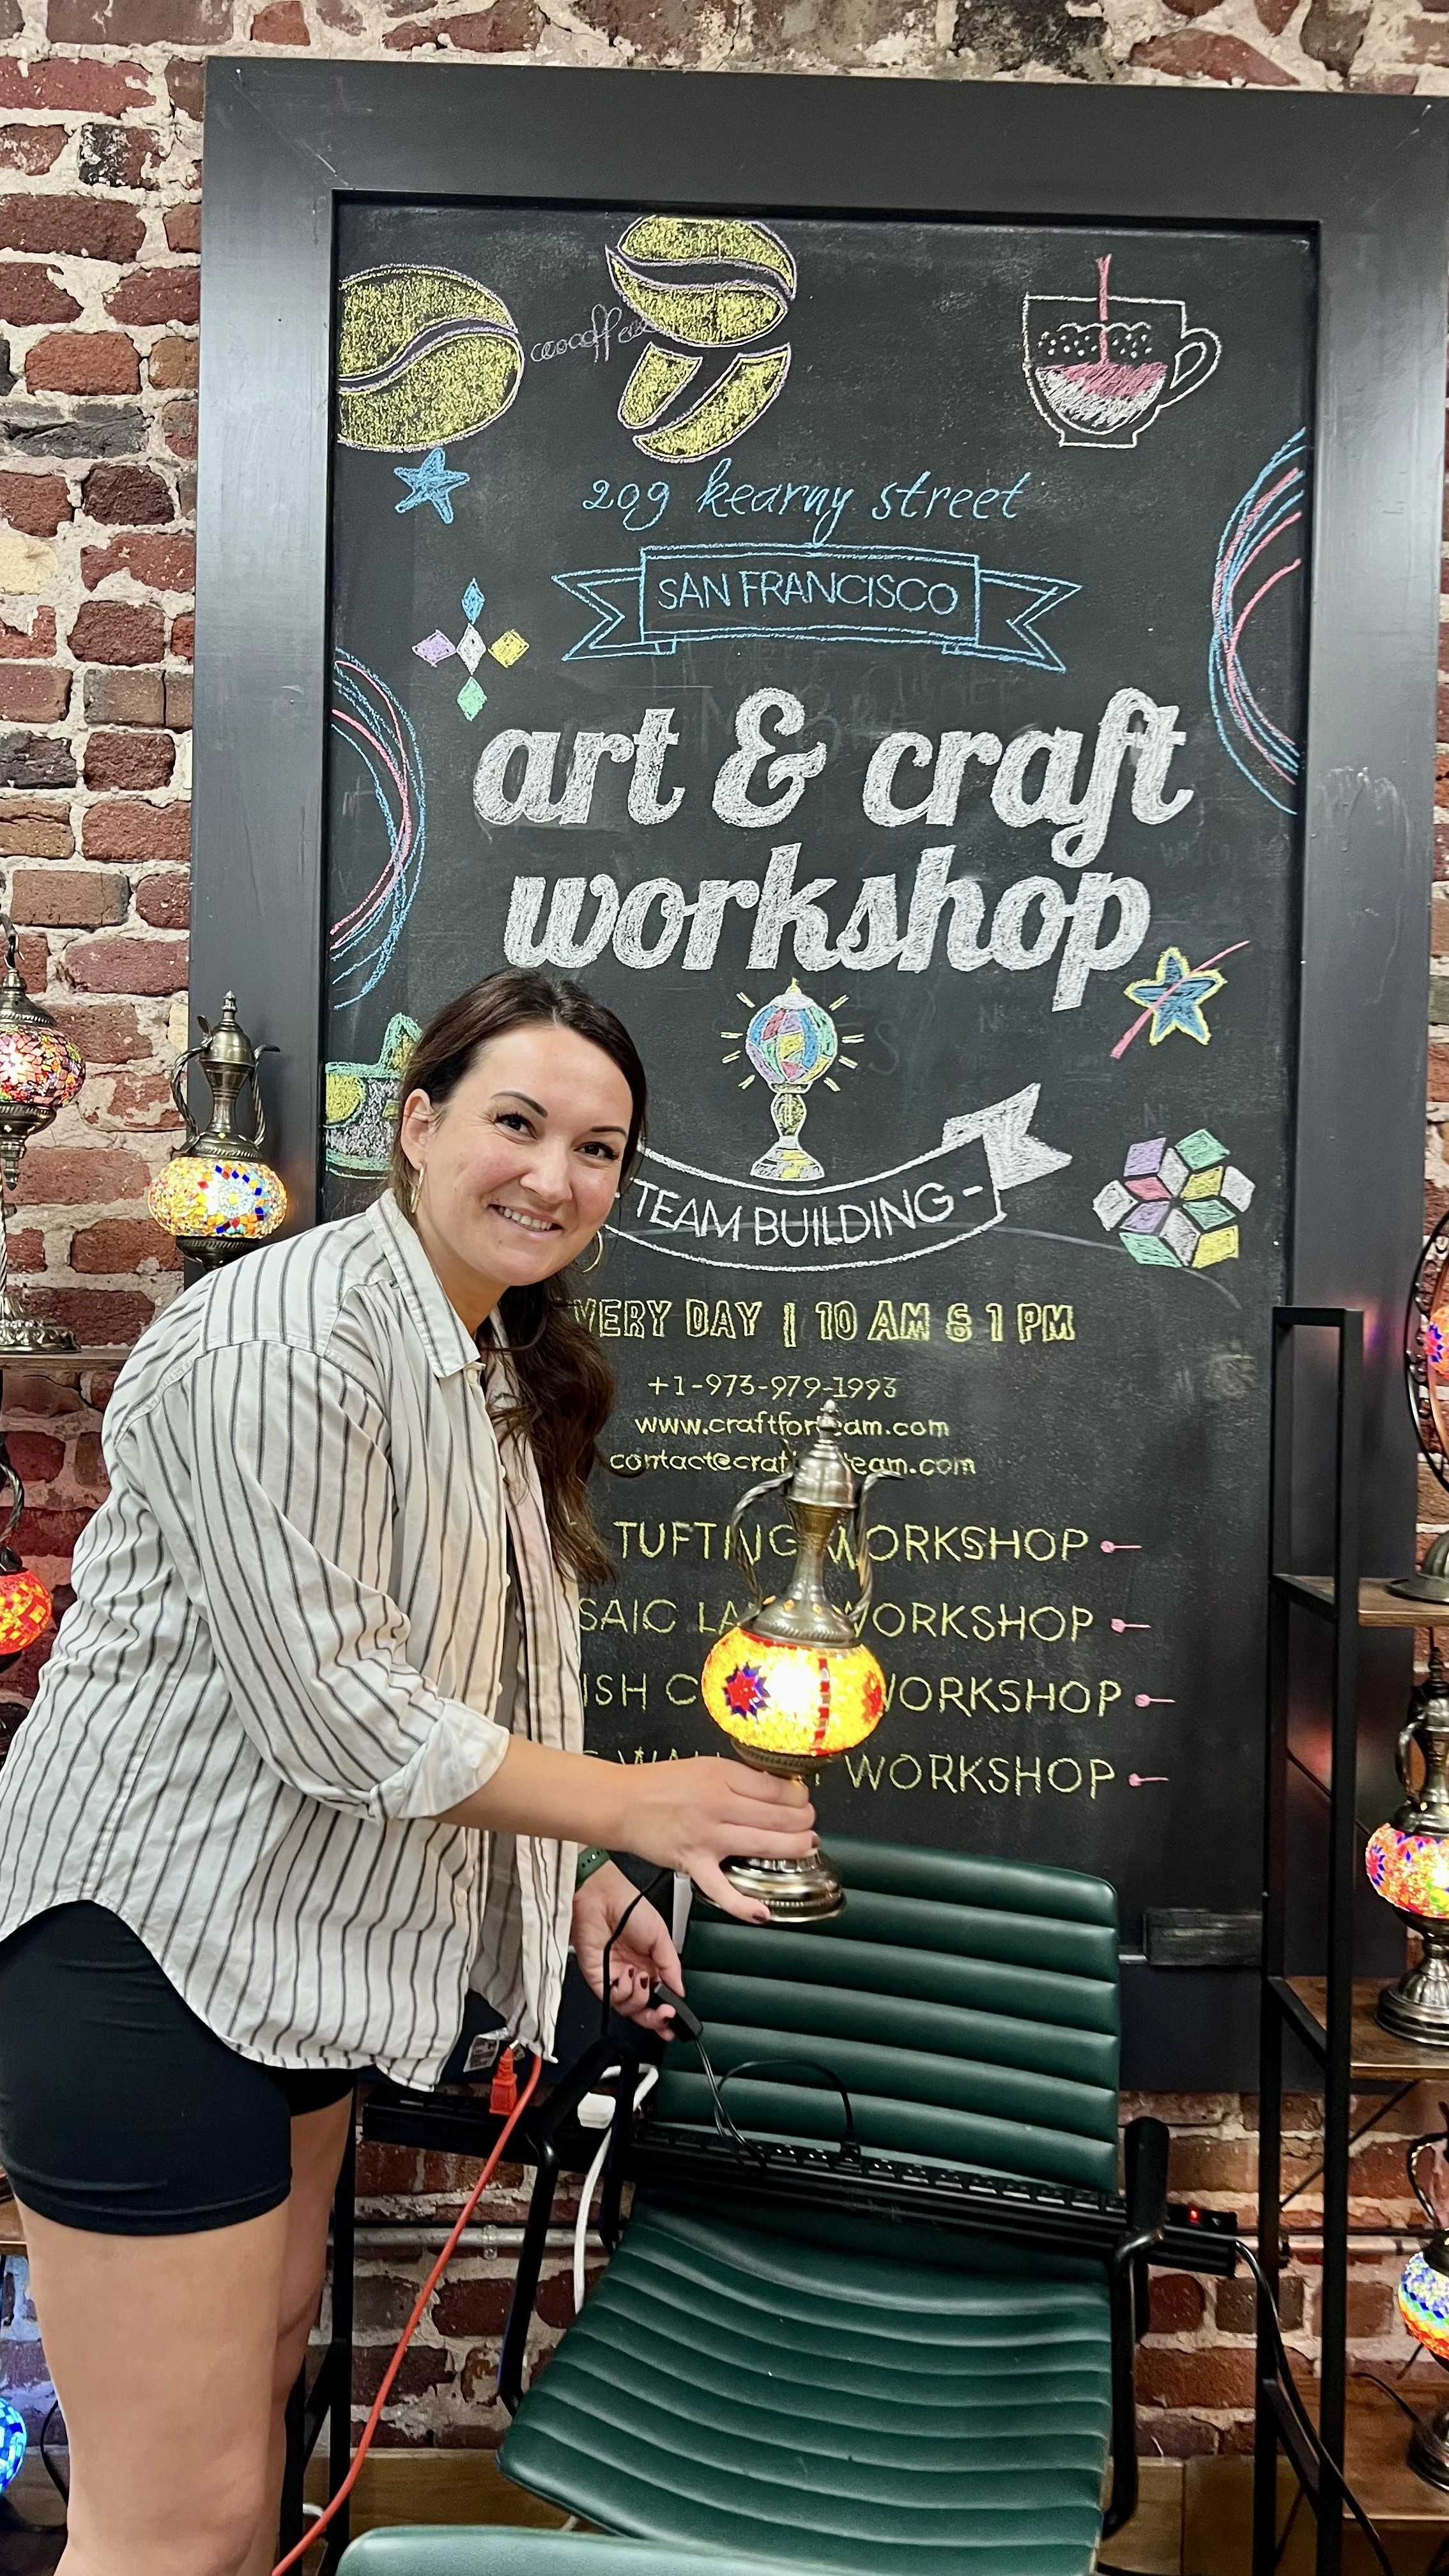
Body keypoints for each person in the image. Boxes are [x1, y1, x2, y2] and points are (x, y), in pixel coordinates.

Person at [0, 969, 814, 2576]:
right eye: (517, 1122)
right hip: (153, 1968)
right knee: (177, 2523)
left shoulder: (492, 1357)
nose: (556, 1176)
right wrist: (636, 1804)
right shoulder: (282, 1332)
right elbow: (342, 1716)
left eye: (600, 1149)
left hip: (298, 1971)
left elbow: (451, 1681)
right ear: (420, 1123)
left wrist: (577, 1879)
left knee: (257, 2459)